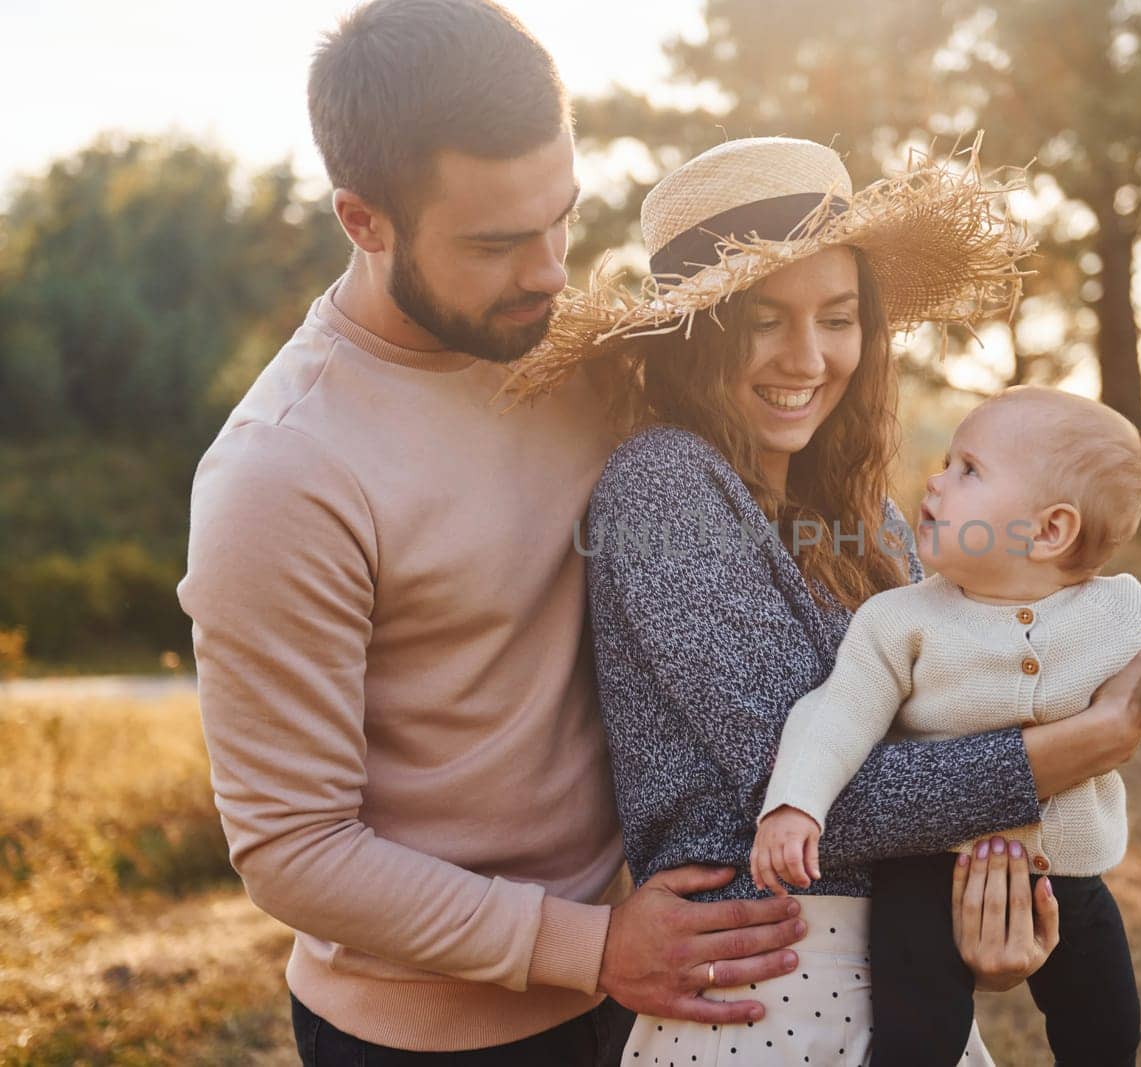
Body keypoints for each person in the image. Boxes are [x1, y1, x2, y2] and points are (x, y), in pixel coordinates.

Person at [178, 3, 812, 1063]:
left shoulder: (579, 353)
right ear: (362, 219)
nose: (551, 271)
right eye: (497, 242)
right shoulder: (282, 473)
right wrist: (591, 943)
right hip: (430, 1038)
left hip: (649, 978)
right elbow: (293, 850)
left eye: (561, 216)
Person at [503, 135, 1141, 1065]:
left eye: (837, 317)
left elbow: (935, 738)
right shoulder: (661, 485)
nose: (808, 356)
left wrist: (992, 910)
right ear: (698, 331)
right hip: (761, 990)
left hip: (910, 975)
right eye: (763, 321)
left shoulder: (873, 515)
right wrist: (1070, 750)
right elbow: (793, 796)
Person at [753, 386, 1141, 1065]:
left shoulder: (1122, 609)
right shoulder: (900, 620)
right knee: (918, 1038)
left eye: (968, 469)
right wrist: (797, 802)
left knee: (1107, 1030)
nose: (937, 478)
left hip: (1070, 872)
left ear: (1049, 530)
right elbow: (835, 711)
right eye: (947, 461)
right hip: (924, 873)